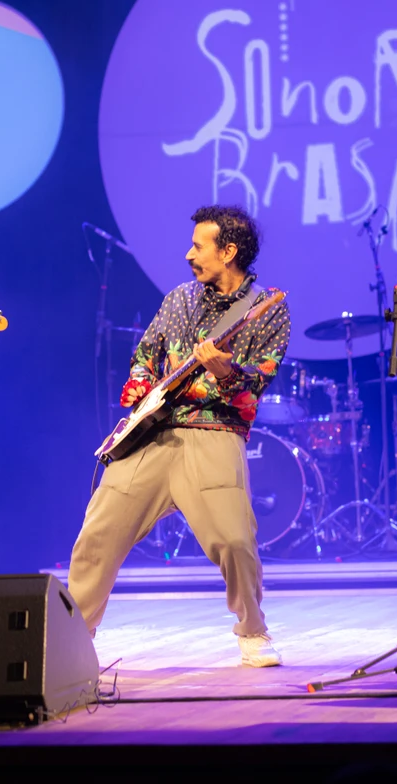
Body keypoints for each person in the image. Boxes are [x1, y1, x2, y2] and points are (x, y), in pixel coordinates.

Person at [67, 204, 291, 667]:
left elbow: (258, 378)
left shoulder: (268, 307)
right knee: (97, 533)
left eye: (198, 245)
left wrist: (226, 371)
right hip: (152, 433)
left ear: (229, 251)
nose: (189, 254)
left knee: (233, 541)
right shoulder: (178, 300)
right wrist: (140, 384)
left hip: (213, 431)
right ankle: (73, 638)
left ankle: (253, 631)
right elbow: (146, 354)